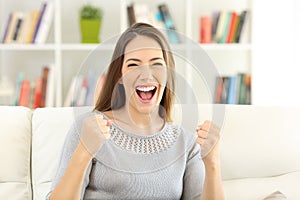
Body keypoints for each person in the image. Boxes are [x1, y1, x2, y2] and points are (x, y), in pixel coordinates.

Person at [47, 22, 224, 200]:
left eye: (156, 64)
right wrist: (84, 152)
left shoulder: (186, 143)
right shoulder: (88, 129)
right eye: (133, 65)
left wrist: (212, 163)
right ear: (119, 76)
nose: (146, 75)